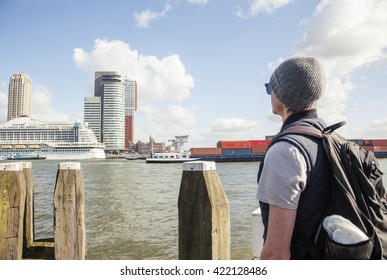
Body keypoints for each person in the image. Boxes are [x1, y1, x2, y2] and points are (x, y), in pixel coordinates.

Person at [257, 56, 331, 260]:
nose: (270, 94)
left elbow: (276, 255)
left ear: (281, 94)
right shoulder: (330, 139)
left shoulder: (286, 152)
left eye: (270, 87)